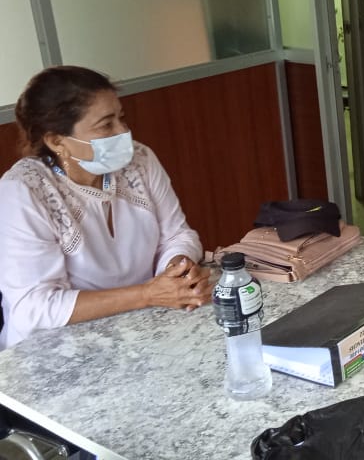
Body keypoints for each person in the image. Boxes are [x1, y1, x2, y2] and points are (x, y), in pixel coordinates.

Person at [0, 66, 211, 350]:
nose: (123, 132)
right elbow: (34, 308)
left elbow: (177, 235)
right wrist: (147, 294)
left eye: (121, 118)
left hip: (142, 328)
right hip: (56, 349)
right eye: (106, 125)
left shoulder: (140, 159)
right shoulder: (23, 191)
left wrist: (177, 271)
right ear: (56, 141)